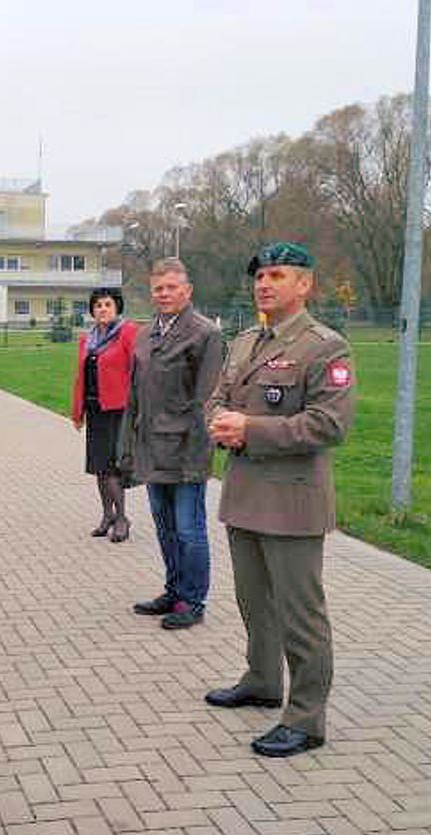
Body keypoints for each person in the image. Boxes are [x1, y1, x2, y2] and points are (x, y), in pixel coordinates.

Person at [205, 241, 356, 758]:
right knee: (254, 603)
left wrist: (249, 428)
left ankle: (307, 718)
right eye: (259, 276)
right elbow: (220, 397)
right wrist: (219, 422)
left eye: (276, 275)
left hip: (291, 501)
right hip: (244, 493)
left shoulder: (324, 346)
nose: (263, 284)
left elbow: (328, 424)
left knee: (300, 614)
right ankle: (262, 680)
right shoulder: (246, 340)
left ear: (304, 284)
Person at [123, 258, 223, 629]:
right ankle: (174, 590)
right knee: (164, 527)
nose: (163, 294)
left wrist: (198, 455)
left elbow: (207, 399)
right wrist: (128, 445)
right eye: (158, 289)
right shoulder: (145, 333)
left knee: (189, 529)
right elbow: (134, 394)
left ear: (188, 291)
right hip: (151, 447)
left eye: (171, 288)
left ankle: (193, 601)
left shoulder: (205, 334)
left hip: (186, 451)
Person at [71, 287, 138, 542]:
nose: (102, 309)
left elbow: (137, 370)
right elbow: (81, 378)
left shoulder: (128, 333)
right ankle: (107, 515)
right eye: (98, 305)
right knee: (98, 467)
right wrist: (77, 412)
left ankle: (122, 518)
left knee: (112, 467)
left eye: (107, 304)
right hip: (95, 410)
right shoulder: (87, 340)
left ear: (117, 308)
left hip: (117, 410)